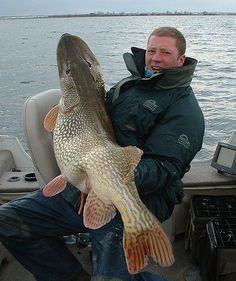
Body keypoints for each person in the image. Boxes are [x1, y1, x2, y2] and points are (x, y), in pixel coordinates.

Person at [0, 26, 204, 281]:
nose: (156, 58)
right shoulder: (131, 85)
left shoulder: (186, 111)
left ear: (181, 59)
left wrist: (108, 179)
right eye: (152, 50)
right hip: (84, 186)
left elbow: (165, 169)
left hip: (137, 195)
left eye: (165, 52)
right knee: (7, 221)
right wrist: (90, 175)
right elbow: (95, 120)